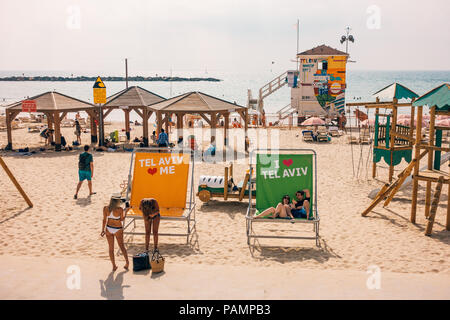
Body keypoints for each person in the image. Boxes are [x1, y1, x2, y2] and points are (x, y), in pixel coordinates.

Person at [101, 197, 130, 271]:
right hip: (117, 229)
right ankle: (127, 263)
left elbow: (104, 220)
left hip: (108, 228)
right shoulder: (119, 209)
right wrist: (126, 211)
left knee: (111, 249)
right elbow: (122, 219)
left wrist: (102, 230)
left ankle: (114, 266)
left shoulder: (105, 208)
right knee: (122, 246)